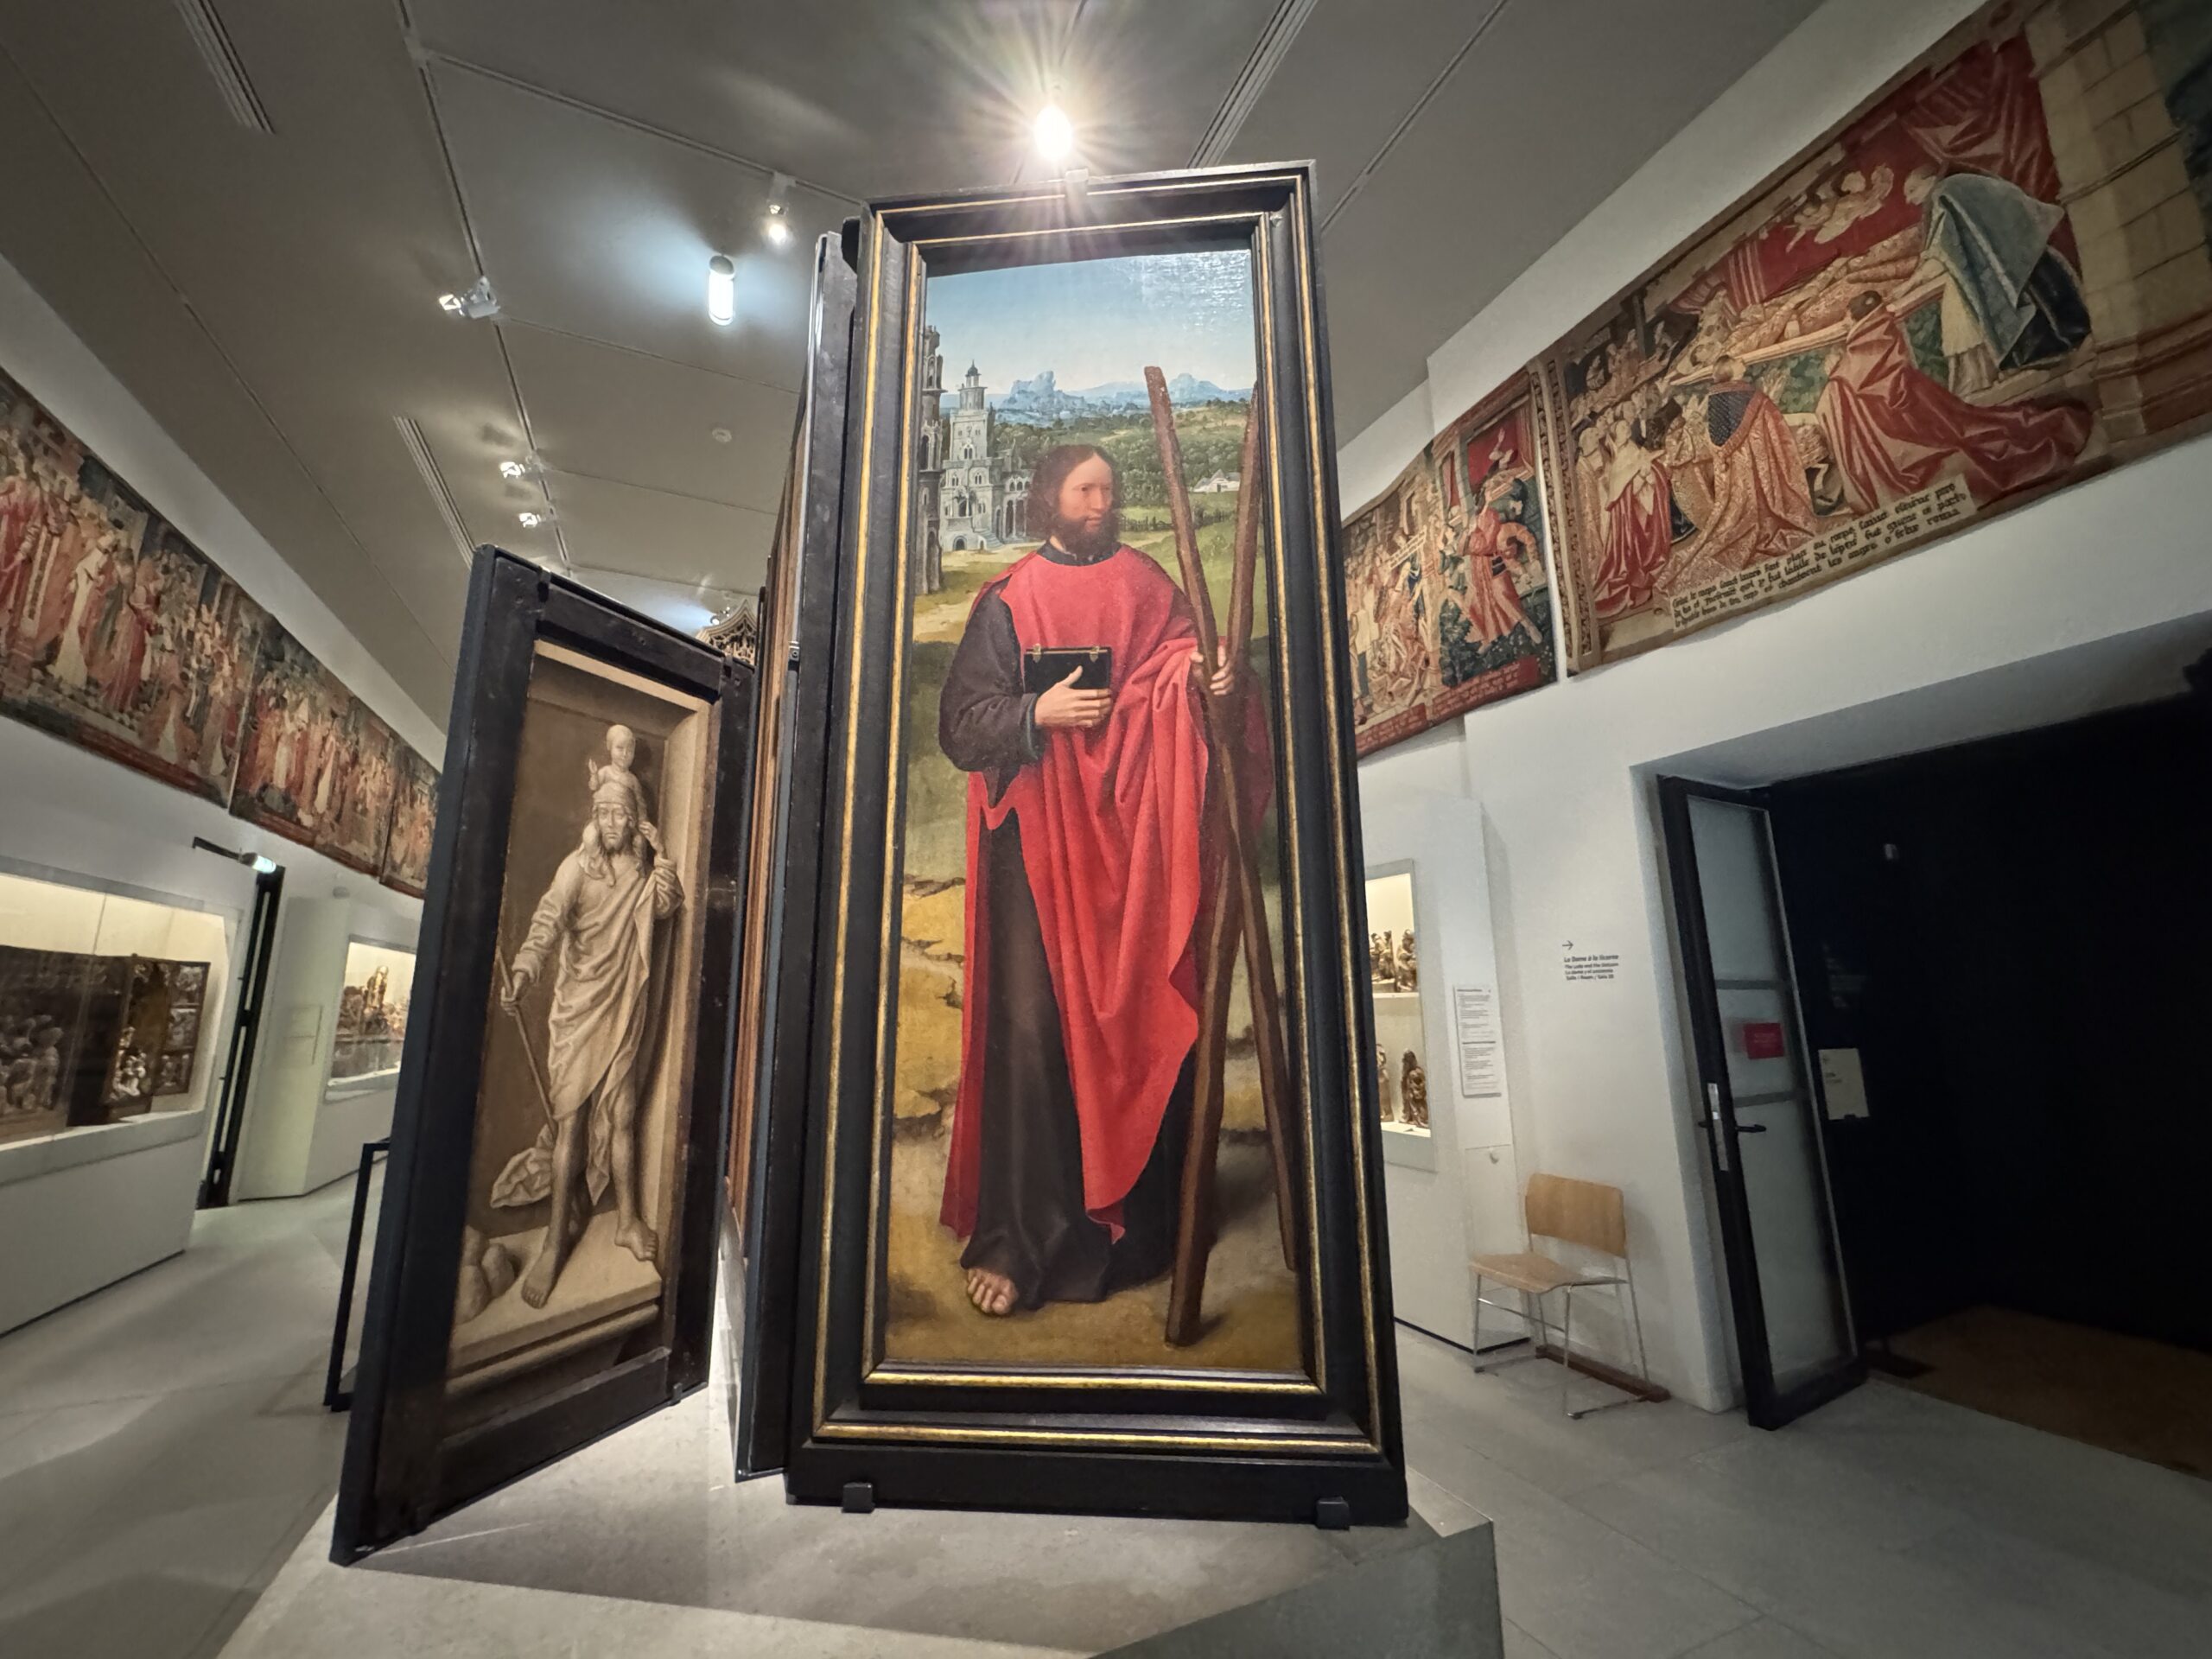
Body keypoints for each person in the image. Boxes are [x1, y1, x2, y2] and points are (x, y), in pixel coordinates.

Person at [936, 443, 1268, 1317]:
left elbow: (1185, 668)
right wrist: (1034, 711)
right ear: (1050, 496)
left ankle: (1145, 1229)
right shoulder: (1009, 600)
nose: (1100, 503)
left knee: (1152, 1018)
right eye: (1086, 490)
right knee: (1032, 1033)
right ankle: (1022, 1241)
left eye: (1109, 491)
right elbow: (962, 726)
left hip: (1136, 846)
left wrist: (1207, 677)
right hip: (1038, 849)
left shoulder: (1148, 585)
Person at [499, 752, 684, 1308]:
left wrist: (662, 856)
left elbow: (667, 905)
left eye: (620, 814)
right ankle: (555, 1240)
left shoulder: (640, 872)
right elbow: (547, 921)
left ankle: (626, 1220)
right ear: (593, 816)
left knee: (623, 1113)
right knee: (572, 1123)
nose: (611, 823)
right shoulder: (576, 868)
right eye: (603, 813)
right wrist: (525, 969)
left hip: (622, 1004)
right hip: (579, 1010)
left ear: (634, 818)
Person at [1815, 289, 2092, 512]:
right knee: (1976, 434)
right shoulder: (1887, 342)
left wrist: (1836, 373)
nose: (1845, 323)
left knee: (1966, 454)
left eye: (1847, 318)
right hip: (1923, 436)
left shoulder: (1844, 377)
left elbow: (1836, 410)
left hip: (1908, 453)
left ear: (1856, 319)